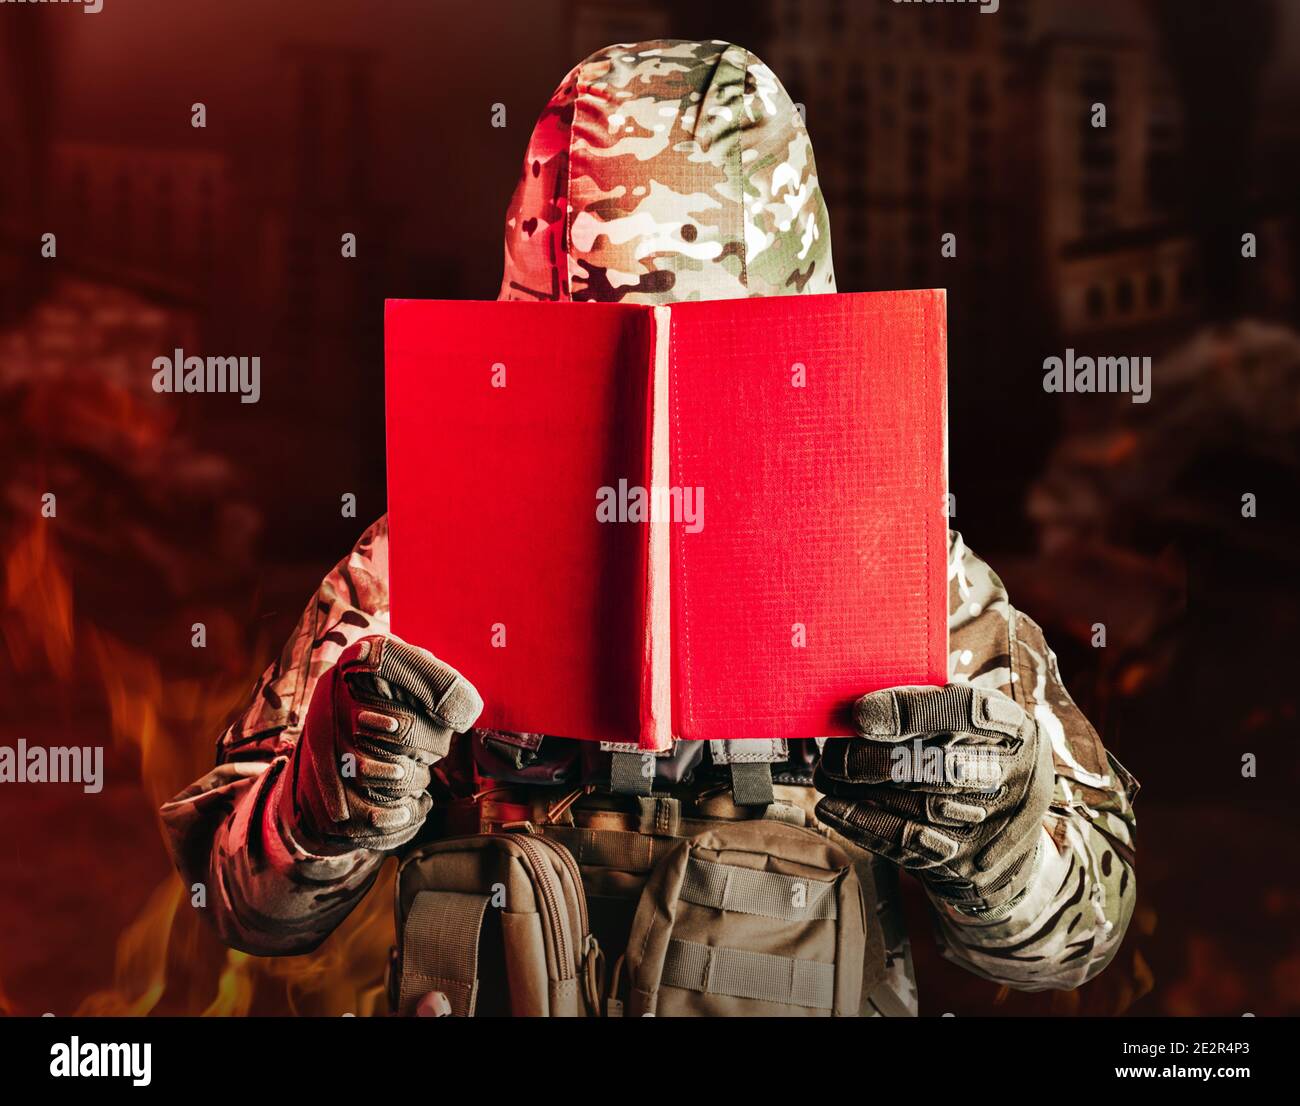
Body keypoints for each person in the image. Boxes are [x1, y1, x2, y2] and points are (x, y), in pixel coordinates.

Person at [160, 39, 1138, 1016]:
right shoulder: (414, 560)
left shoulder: (901, 570)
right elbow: (236, 901)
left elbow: (1078, 934)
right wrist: (321, 804)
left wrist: (996, 838)